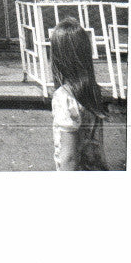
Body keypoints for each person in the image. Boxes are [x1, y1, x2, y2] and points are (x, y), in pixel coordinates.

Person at [50, 17, 108, 171]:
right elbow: (98, 147)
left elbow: (69, 158)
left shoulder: (64, 97)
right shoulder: (93, 91)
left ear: (57, 58)